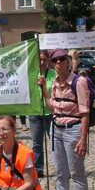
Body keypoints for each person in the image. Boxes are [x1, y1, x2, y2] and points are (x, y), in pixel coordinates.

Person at [38, 49, 90, 190]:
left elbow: (85, 112)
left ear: (68, 61)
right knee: (60, 171)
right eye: (55, 61)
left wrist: (84, 139)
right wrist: (44, 88)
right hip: (57, 127)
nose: (58, 63)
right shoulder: (55, 83)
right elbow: (52, 107)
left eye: (62, 59)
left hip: (73, 128)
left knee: (76, 172)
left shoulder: (79, 82)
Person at [29, 50, 56, 178]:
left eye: (44, 59)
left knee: (55, 141)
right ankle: (38, 168)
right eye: (39, 59)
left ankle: (61, 166)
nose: (42, 62)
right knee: (37, 143)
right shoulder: (32, 74)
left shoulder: (53, 74)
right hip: (36, 112)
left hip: (50, 112)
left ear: (48, 61)